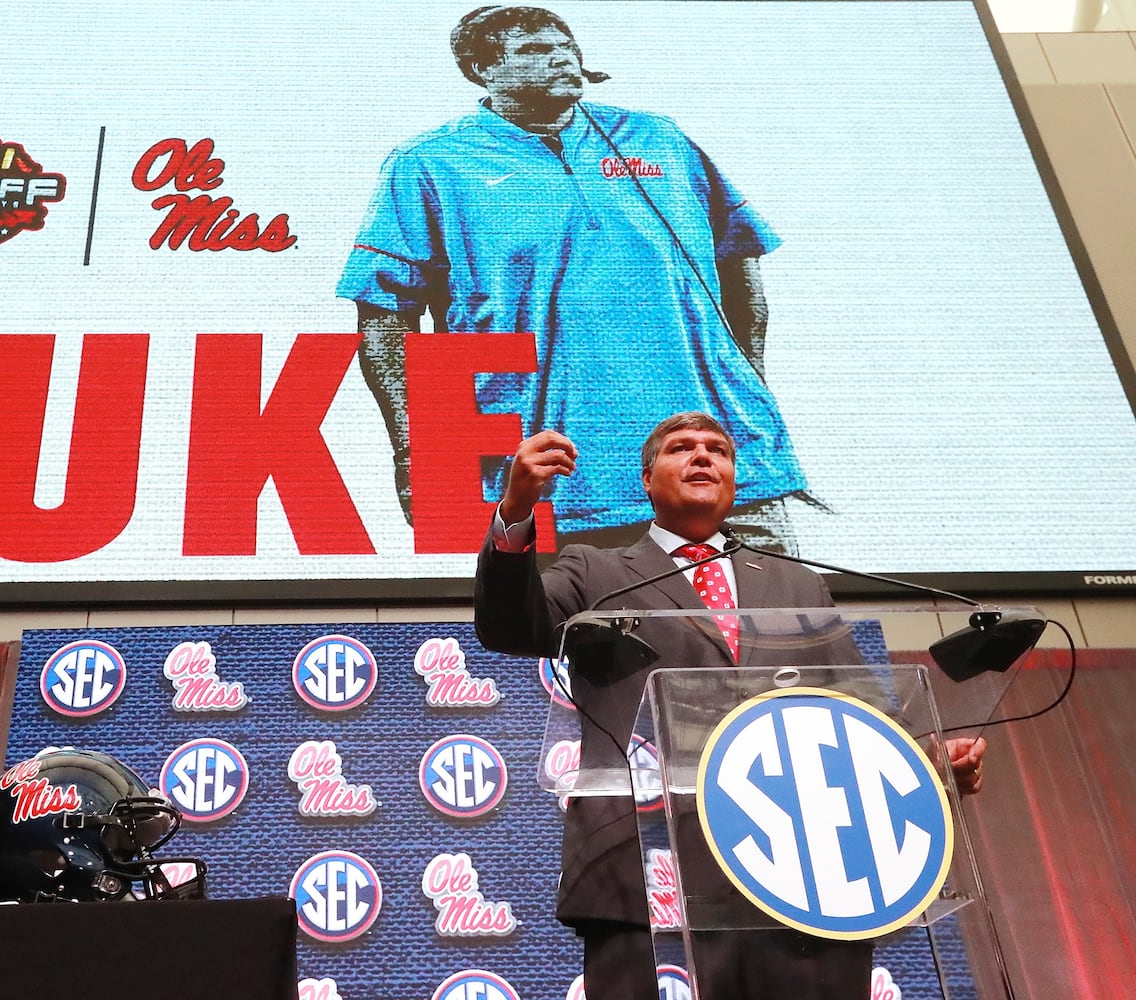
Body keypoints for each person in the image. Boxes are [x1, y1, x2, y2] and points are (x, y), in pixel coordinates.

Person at [474, 411, 987, 999]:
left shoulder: (796, 584)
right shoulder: (598, 569)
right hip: (645, 872)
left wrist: (926, 761)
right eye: (681, 448)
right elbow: (510, 625)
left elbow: (859, 709)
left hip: (802, 874)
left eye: (717, 450)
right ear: (647, 479)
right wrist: (515, 511)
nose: (701, 457)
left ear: (734, 478)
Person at [338, 5, 810, 553]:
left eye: (567, 45)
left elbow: (739, 254)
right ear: (480, 69)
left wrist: (748, 376)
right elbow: (384, 319)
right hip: (561, 483)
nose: (562, 57)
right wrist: (414, 451)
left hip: (723, 464)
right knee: (601, 637)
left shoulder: (656, 137)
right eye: (535, 50)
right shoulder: (429, 162)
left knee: (775, 629)